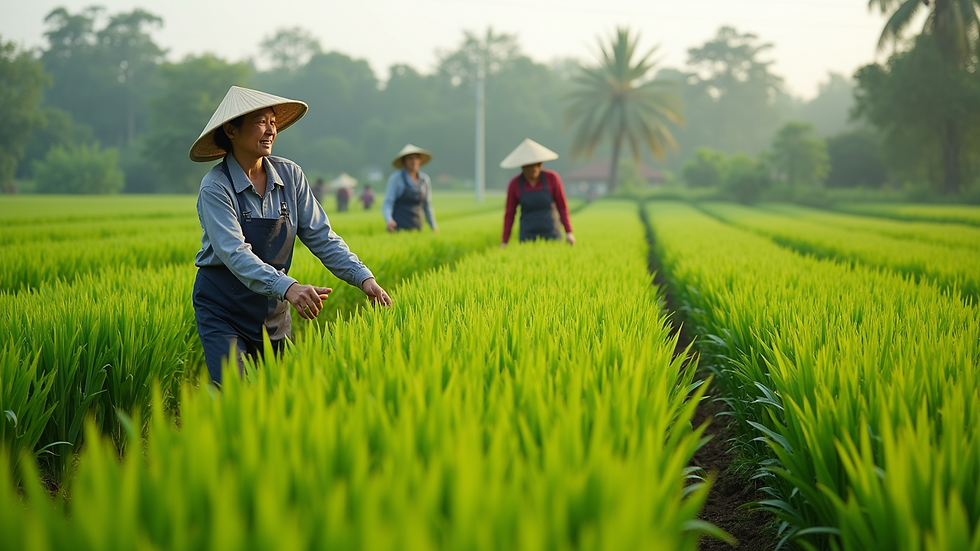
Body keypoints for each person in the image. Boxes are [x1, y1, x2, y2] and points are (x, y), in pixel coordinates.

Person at [188, 85, 392, 385]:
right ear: (231, 130)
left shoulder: (290, 175)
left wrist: (364, 278)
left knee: (279, 396)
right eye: (261, 122)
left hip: (273, 309)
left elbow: (321, 236)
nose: (270, 130)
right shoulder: (216, 187)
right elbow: (234, 253)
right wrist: (289, 286)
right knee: (236, 394)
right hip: (224, 310)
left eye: (273, 122)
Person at [500, 138, 575, 246]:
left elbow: (562, 206)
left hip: (551, 232)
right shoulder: (514, 184)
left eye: (537, 164)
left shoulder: (552, 178)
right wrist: (504, 241)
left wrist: (569, 232)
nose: (534, 168)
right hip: (527, 234)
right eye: (530, 166)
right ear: (523, 166)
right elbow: (510, 214)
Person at [382, 144, 438, 232]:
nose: (414, 161)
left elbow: (427, 205)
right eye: (410, 158)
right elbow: (388, 203)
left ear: (420, 161)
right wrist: (389, 220)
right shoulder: (396, 178)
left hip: (418, 228)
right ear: (404, 161)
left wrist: (433, 226)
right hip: (398, 228)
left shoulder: (424, 179)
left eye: (416, 158)